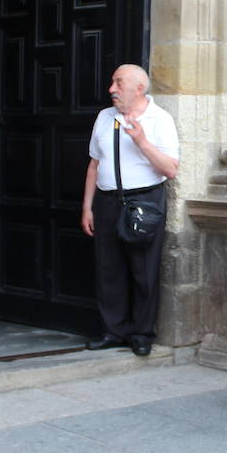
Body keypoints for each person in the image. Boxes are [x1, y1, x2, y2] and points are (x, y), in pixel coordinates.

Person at [82, 65, 179, 357]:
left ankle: (141, 333)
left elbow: (170, 169)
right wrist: (87, 207)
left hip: (144, 202)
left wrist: (141, 141)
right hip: (107, 201)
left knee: (143, 270)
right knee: (109, 268)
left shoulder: (160, 119)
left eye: (118, 83)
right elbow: (93, 165)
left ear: (138, 88)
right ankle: (114, 330)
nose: (111, 88)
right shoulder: (104, 117)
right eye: (112, 82)